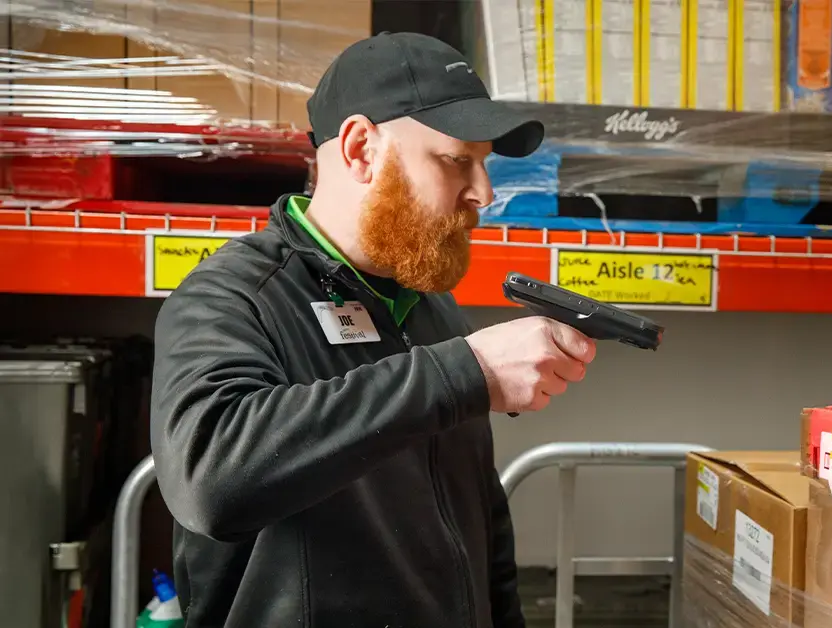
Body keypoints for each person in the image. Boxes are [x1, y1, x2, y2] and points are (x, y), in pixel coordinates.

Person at [149, 32, 596, 628]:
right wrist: (465, 371)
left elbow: (480, 519)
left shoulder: (431, 308)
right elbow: (212, 479)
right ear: (361, 148)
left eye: (483, 163)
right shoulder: (231, 298)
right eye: (456, 160)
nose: (484, 192)